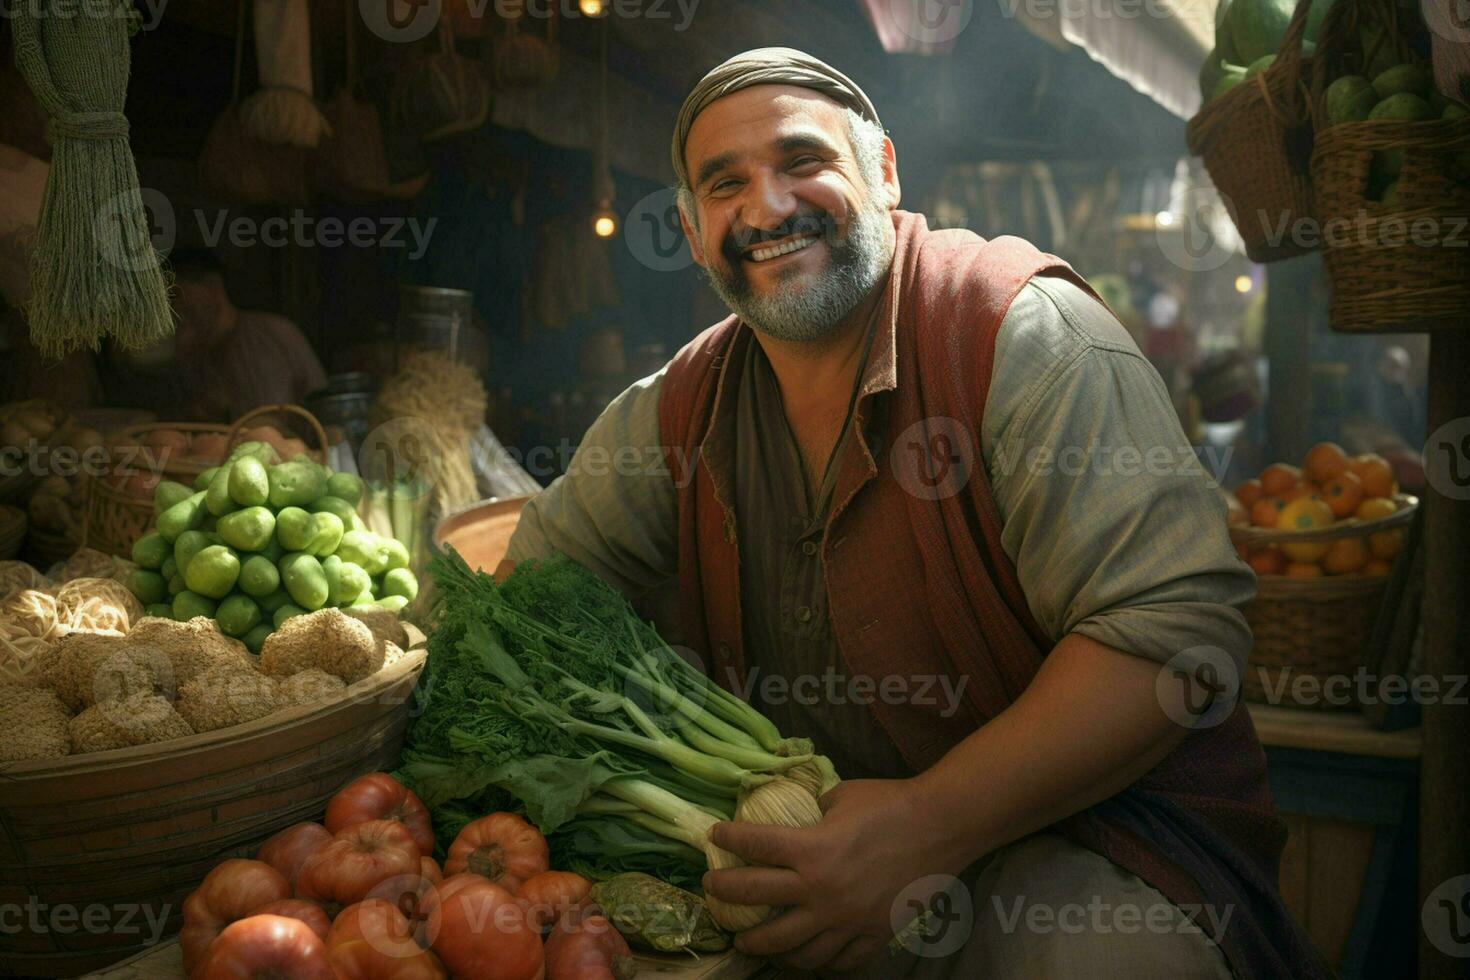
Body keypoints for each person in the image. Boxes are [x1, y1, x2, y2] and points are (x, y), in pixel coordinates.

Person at [500, 48, 1326, 978]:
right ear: (693, 233)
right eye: (725, 185)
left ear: (884, 172)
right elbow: (519, 601)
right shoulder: (679, 408)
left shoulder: (1022, 335)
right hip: (822, 879)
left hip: (1082, 848)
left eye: (802, 161)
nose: (767, 208)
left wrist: (924, 829)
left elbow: (1177, 635)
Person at [166, 248, 327, 421]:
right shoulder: (191, 355)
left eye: (176, 295)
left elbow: (280, 420)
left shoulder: (268, 335)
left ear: (212, 287)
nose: (172, 307)